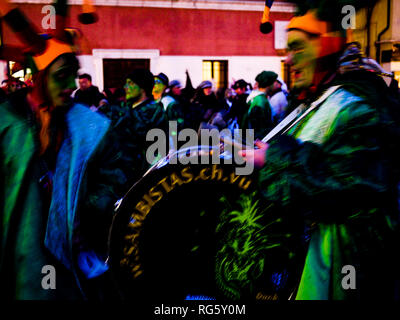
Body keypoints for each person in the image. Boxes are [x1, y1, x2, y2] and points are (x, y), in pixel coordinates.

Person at [224, 1, 400, 300]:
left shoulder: (358, 104)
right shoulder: (322, 97)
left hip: (344, 273)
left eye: (297, 47)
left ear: (328, 45)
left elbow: (348, 189)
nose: (289, 60)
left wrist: (274, 158)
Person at [0, 3, 130, 300]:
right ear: (38, 78)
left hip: (74, 257)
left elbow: (112, 177)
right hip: (21, 253)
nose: (71, 85)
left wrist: (87, 209)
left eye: (74, 75)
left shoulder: (92, 127)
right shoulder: (6, 125)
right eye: (61, 75)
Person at [113, 69, 168, 182]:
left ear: (142, 87)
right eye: (126, 83)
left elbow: (158, 151)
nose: (125, 87)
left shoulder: (155, 113)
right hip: (119, 176)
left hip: (139, 177)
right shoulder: (123, 109)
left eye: (131, 83)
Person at [242, 71, 274, 140]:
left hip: (250, 137)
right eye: (273, 82)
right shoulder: (261, 100)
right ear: (269, 84)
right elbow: (260, 125)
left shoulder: (254, 97)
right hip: (257, 139)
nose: (274, 85)